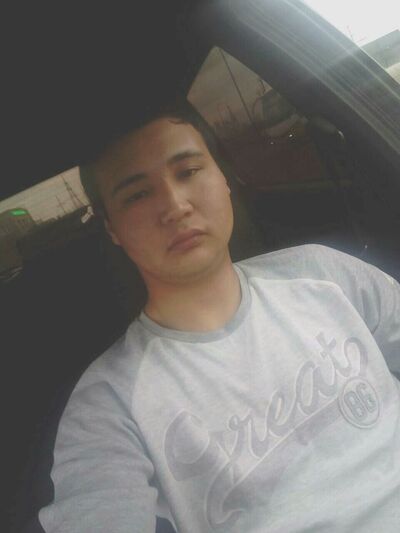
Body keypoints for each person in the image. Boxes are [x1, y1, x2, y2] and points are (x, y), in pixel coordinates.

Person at [37, 102, 400, 532]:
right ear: (111, 228)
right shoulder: (109, 401)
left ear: (223, 178)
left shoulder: (323, 273)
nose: (175, 206)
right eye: (137, 195)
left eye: (188, 171)